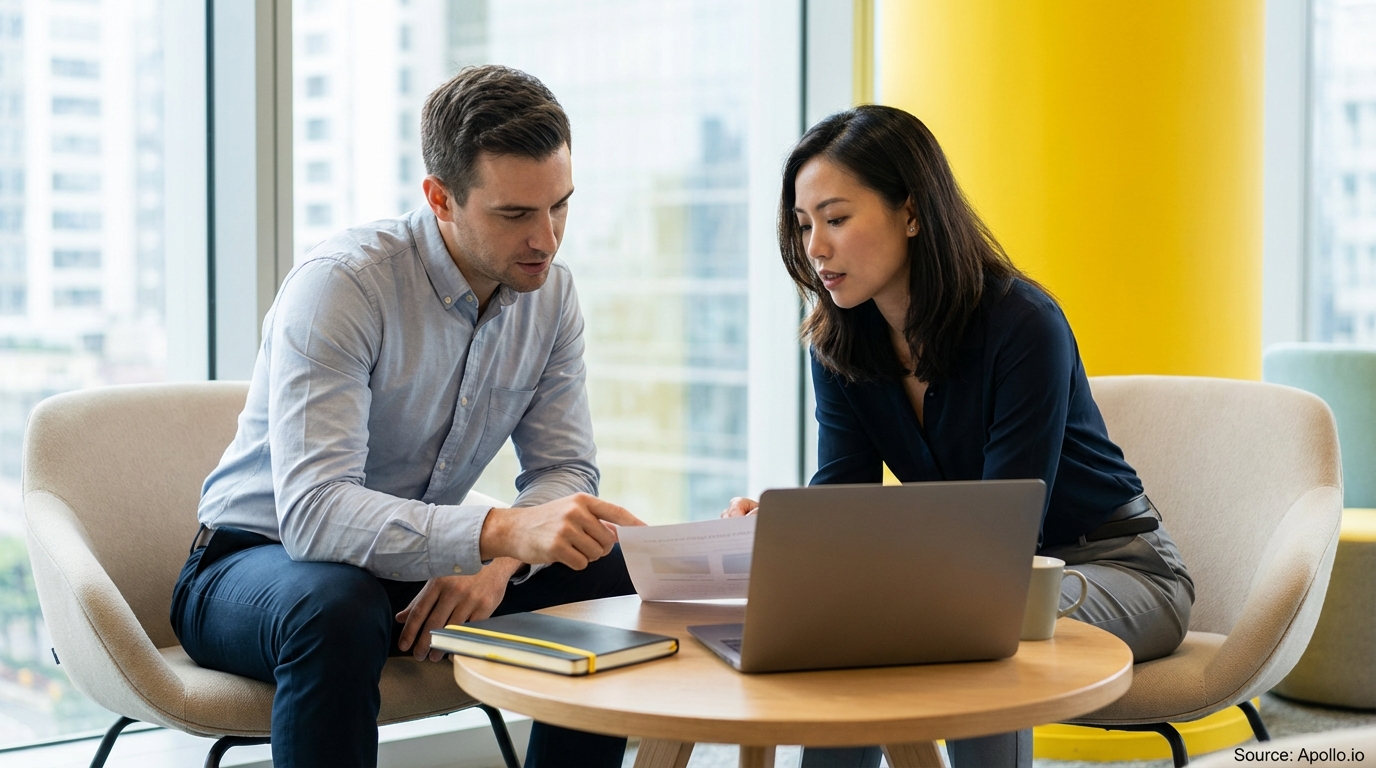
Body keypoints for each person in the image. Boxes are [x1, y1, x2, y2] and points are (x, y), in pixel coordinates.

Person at [170, 65, 643, 767]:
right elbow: (316, 513)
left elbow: (565, 469)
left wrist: (498, 560)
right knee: (335, 607)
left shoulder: (551, 296)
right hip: (253, 566)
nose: (546, 239)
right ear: (440, 198)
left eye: (561, 206)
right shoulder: (344, 287)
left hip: (400, 571)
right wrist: (491, 532)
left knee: (609, 566)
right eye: (514, 214)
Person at [722, 105, 1195, 768]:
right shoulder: (838, 341)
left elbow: (998, 538)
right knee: (847, 625)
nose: (815, 248)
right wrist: (788, 529)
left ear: (912, 213)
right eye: (804, 225)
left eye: (836, 218)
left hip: (1121, 567)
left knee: (987, 621)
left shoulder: (1023, 323)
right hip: (988, 576)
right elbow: (845, 498)